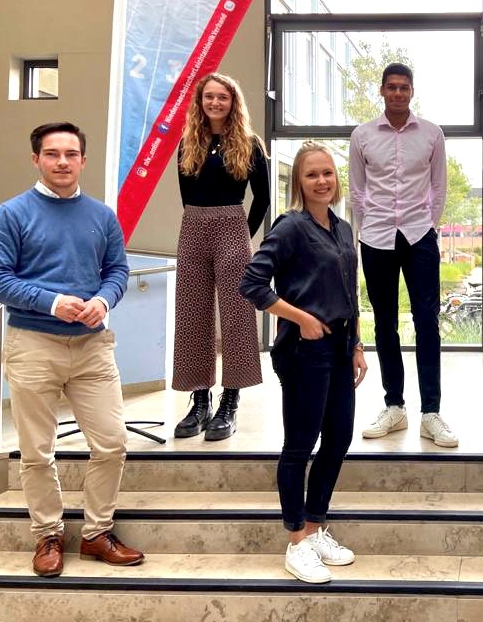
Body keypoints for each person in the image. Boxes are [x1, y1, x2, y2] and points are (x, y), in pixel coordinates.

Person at [0, 122, 144, 577]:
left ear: (83, 161)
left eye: (71, 154)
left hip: (93, 348)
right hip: (33, 345)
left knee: (112, 443)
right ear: (36, 159)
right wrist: (52, 302)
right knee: (37, 451)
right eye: (52, 154)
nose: (62, 162)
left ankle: (96, 533)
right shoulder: (11, 214)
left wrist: (103, 301)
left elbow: (117, 270)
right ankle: (48, 535)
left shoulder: (102, 216)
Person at [240, 141, 368, 584]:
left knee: (338, 439)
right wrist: (300, 318)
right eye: (312, 174)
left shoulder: (343, 228)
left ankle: (315, 528)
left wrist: (357, 344)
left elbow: (350, 291)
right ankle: (296, 542)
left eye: (327, 173)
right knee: (300, 446)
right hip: (303, 351)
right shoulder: (290, 227)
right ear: (299, 181)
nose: (322, 181)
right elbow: (252, 283)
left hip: (339, 348)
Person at [349, 62, 457, 447]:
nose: (397, 93)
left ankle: (431, 412)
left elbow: (439, 187)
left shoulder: (432, 134)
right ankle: (394, 406)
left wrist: (429, 224)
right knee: (384, 323)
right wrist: (367, 226)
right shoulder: (362, 135)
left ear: (412, 91)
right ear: (382, 90)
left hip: (419, 235)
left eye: (404, 87)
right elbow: (357, 189)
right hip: (376, 236)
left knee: (427, 321)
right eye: (391, 87)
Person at [172, 73, 270, 441]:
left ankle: (230, 401)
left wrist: (242, 231)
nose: (215, 103)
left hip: (233, 227)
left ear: (233, 102)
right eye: (209, 97)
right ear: (200, 102)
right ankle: (200, 401)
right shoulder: (187, 143)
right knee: (191, 315)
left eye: (222, 97)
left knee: (237, 316)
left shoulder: (249, 144)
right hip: (193, 227)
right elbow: (186, 195)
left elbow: (262, 198)